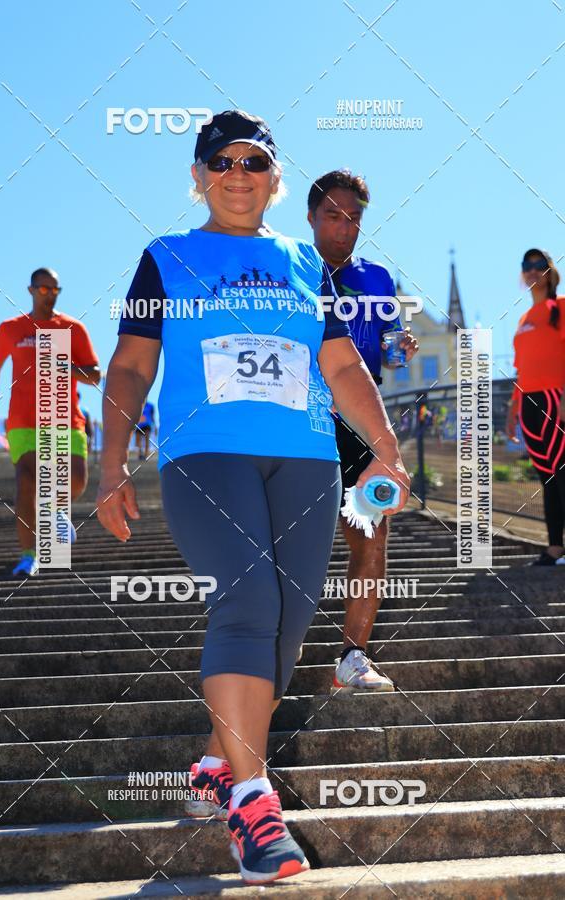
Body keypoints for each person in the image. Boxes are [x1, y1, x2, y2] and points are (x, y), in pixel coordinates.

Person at [96, 110, 409, 885]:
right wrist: (110, 465)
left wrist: (388, 445)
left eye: (254, 162)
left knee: (290, 620)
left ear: (274, 178)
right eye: (222, 162)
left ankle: (213, 760)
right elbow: (132, 366)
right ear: (200, 176)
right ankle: (250, 800)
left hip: (304, 460)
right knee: (246, 604)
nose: (238, 174)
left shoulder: (307, 262)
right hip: (206, 455)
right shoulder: (165, 257)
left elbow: (340, 367)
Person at [307, 169, 419, 694]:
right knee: (285, 540)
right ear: (310, 217)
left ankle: (353, 657)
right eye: (333, 216)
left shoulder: (377, 279)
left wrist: (402, 349)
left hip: (359, 418)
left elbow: (388, 356)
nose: (344, 228)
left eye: (354, 218)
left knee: (370, 535)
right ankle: (269, 650)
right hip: (300, 415)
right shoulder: (290, 269)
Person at [0, 267, 101, 577]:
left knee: (76, 480)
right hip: (23, 420)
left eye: (55, 290)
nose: (50, 295)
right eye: (44, 289)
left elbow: (95, 373)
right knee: (27, 478)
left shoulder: (72, 328)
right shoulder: (12, 328)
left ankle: (54, 510)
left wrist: (66, 367)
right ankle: (29, 555)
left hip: (64, 418)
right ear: (31, 290)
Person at [506, 248, 565, 565]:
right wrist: (513, 410)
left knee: (563, 472)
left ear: (549, 271)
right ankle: (555, 547)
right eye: (526, 265)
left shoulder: (561, 308)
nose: (531, 270)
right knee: (547, 478)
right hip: (528, 404)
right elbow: (521, 368)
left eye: (538, 265)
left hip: (556, 399)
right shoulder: (524, 318)